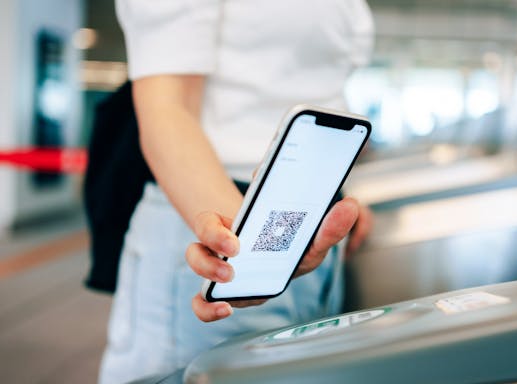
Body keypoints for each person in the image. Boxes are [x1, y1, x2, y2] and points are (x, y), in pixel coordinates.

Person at [99, 1, 375, 383]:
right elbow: (168, 108)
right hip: (214, 220)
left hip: (301, 236)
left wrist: (340, 199)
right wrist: (253, 246)